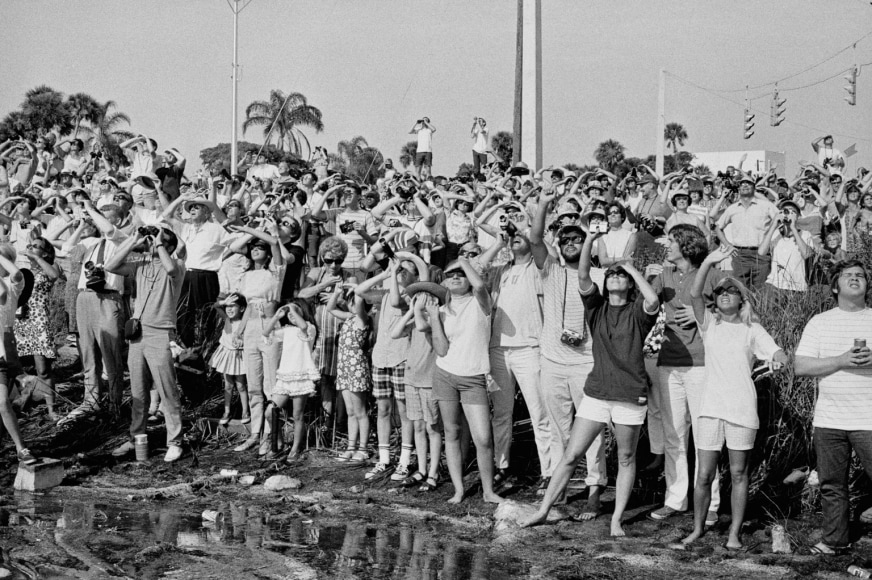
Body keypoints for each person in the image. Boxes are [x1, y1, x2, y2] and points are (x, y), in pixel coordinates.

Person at [522, 228, 659, 536]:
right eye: (611, 275)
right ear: (604, 284)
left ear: (629, 284)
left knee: (626, 457)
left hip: (629, 395)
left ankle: (616, 519)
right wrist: (590, 240)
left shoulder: (638, 313)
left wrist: (629, 268)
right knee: (571, 454)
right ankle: (543, 511)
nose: (616, 278)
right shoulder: (596, 309)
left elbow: (652, 298)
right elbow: (583, 275)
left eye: (620, 277)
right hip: (597, 393)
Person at [681, 250, 787, 549]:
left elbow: (778, 354)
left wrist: (778, 360)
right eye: (720, 291)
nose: (725, 294)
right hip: (710, 409)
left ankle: (734, 534)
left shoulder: (753, 329)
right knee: (704, 474)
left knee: (739, 473)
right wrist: (708, 262)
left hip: (741, 409)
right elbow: (694, 294)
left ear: (742, 299)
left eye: (732, 290)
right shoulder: (709, 324)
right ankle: (697, 530)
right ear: (715, 300)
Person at [529, 187, 608, 517]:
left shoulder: (600, 275)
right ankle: (559, 489)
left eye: (578, 239)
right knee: (559, 428)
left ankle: (595, 488)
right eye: (566, 240)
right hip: (552, 361)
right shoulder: (550, 270)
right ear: (559, 246)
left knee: (593, 432)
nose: (572, 243)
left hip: (587, 362)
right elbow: (535, 239)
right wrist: (544, 204)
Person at [645, 224, 724, 525]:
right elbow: (645, 306)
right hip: (668, 362)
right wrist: (644, 277)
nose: (666, 245)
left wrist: (704, 313)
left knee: (705, 434)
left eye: (672, 240)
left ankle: (711, 503)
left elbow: (740, 309)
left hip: (701, 363)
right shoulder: (664, 275)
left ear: (687, 245)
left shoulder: (712, 274)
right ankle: (675, 499)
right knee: (673, 433)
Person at [795, 259, 872, 555]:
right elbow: (801, 366)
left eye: (860, 275)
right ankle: (834, 541)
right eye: (847, 275)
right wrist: (841, 360)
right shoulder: (820, 322)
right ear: (835, 286)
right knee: (832, 485)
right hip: (829, 419)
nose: (854, 278)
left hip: (868, 419)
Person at [105, 227, 187, 463]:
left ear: (168, 246)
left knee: (167, 390)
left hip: (161, 332)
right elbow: (111, 266)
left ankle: (175, 441)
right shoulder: (141, 263)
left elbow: (171, 269)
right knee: (138, 391)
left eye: (158, 240)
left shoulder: (177, 264)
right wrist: (134, 241)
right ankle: (136, 437)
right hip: (138, 334)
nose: (151, 243)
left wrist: (159, 243)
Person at [429, 258, 502, 505]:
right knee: (452, 432)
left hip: (474, 378)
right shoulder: (441, 310)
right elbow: (441, 350)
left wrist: (462, 259)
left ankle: (488, 491)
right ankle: (458, 490)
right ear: (444, 282)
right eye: (450, 274)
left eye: (461, 273)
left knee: (483, 438)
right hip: (445, 374)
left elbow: (479, 285)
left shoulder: (480, 301)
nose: (456, 276)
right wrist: (434, 318)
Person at [228, 224, 286, 454]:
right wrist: (239, 331)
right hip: (251, 327)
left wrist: (248, 228)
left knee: (270, 385)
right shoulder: (247, 275)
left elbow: (273, 242)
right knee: (253, 384)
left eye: (259, 247)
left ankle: (270, 436)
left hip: (269, 326)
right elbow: (249, 307)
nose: (255, 249)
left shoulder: (276, 271)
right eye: (252, 247)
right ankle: (255, 433)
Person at [262, 300, 319, 463]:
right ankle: (278, 443)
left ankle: (295, 448)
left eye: (295, 311)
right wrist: (276, 316)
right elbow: (266, 332)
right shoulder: (287, 330)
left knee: (297, 414)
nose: (291, 315)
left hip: (301, 376)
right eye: (289, 313)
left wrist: (292, 308)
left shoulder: (309, 328)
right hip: (285, 377)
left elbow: (303, 326)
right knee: (270, 412)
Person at [13, 237, 60, 421]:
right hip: (21, 322)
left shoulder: (48, 269)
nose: (30, 248)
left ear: (45, 253)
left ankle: (51, 410)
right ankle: (18, 404)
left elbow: (54, 276)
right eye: (29, 245)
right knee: (14, 367)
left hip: (39, 323)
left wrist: (36, 257)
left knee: (43, 370)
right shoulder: (23, 270)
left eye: (35, 246)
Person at [330, 283, 373, 464]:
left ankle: (363, 449)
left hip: (356, 369)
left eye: (354, 301)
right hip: (344, 369)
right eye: (350, 301)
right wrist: (336, 292)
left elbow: (360, 302)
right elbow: (331, 308)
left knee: (360, 411)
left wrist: (356, 288)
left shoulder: (362, 319)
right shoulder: (348, 317)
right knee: (350, 411)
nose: (352, 304)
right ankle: (350, 447)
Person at [716, 175, 778, 289]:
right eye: (742, 184)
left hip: (761, 255)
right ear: (739, 189)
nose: (745, 185)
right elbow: (718, 227)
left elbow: (780, 219)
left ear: (754, 188)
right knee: (740, 290)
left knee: (761, 291)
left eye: (748, 183)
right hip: (740, 255)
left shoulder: (766, 206)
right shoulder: (732, 208)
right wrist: (728, 245)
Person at [210, 293, 249, 426]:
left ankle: (245, 411)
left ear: (242, 308)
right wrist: (223, 302)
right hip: (227, 356)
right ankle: (227, 411)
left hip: (239, 356)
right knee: (228, 385)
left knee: (241, 385)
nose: (229, 309)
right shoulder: (227, 319)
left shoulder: (245, 323)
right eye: (227, 306)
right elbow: (215, 306)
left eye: (233, 306)